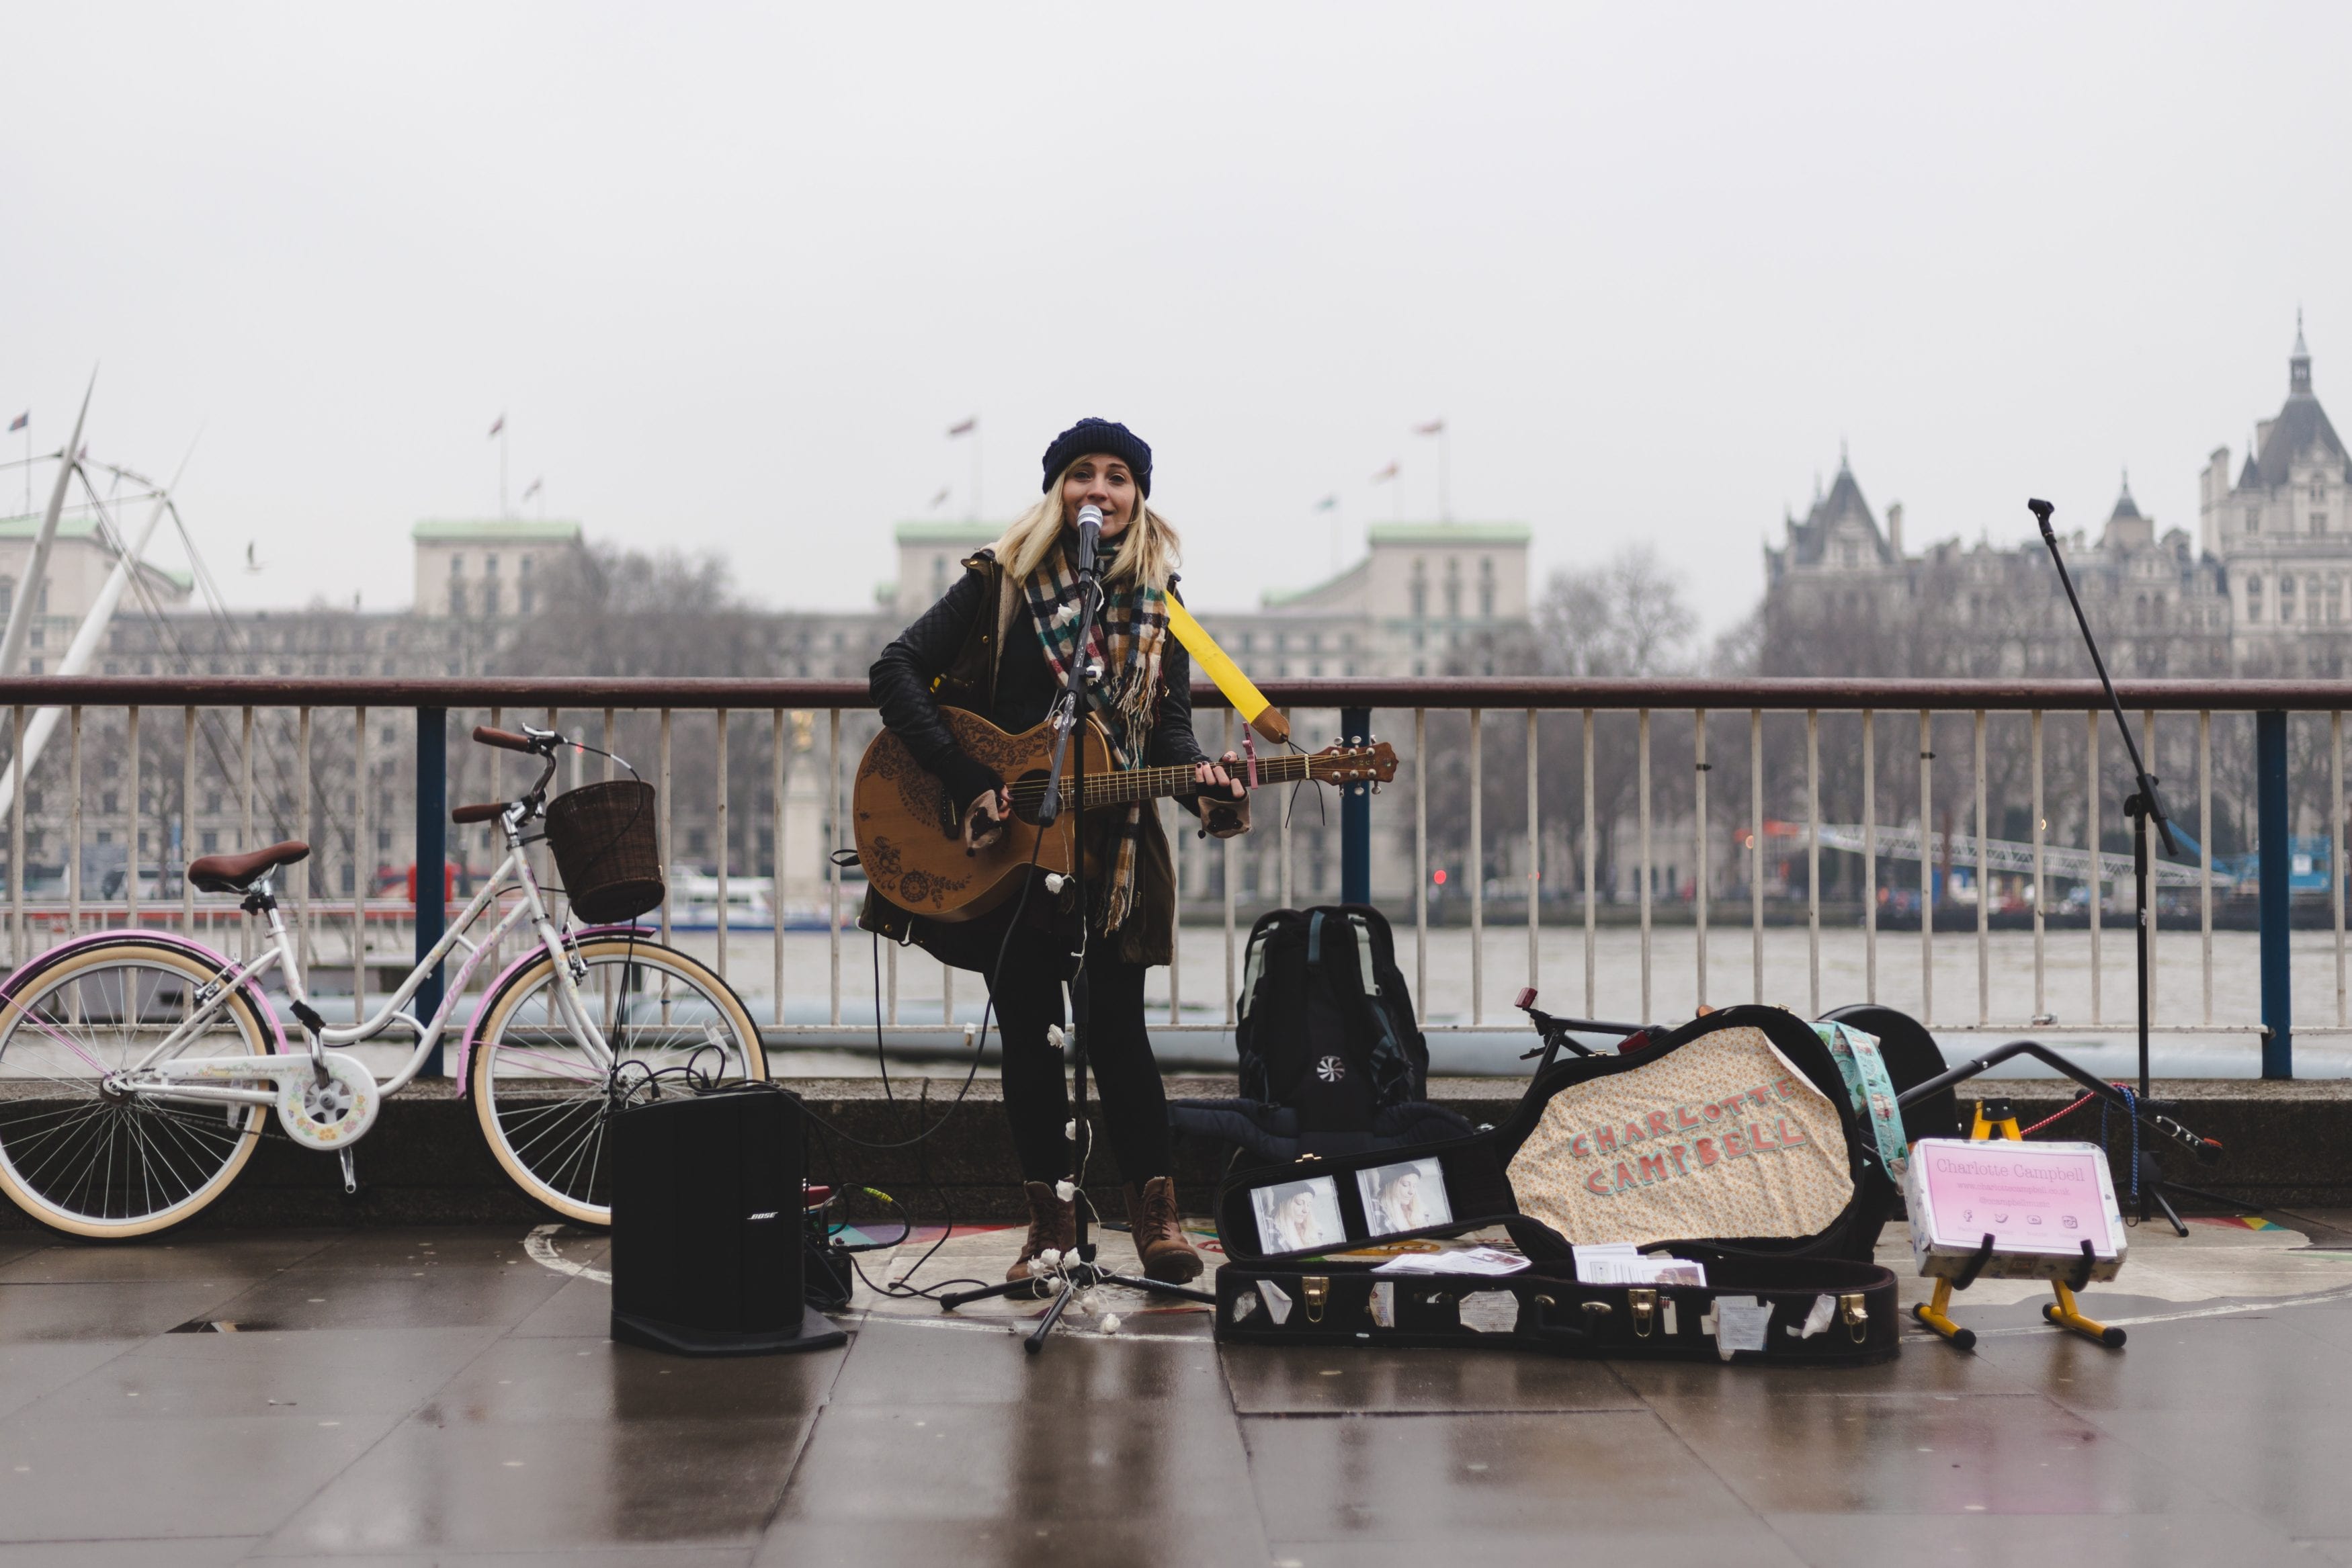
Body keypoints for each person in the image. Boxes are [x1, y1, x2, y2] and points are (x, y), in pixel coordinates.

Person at [866, 418, 1249, 1285]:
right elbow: (895, 670)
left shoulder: (1162, 601)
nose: (1100, 491)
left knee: (1118, 1032)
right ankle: (1049, 1224)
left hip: (1112, 849)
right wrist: (968, 776)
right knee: (1031, 1038)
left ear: (1139, 497)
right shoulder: (998, 583)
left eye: (1119, 476)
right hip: (1008, 849)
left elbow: (1170, 734)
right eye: (1083, 475)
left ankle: (1154, 1218)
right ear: (1057, 493)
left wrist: (1205, 786)